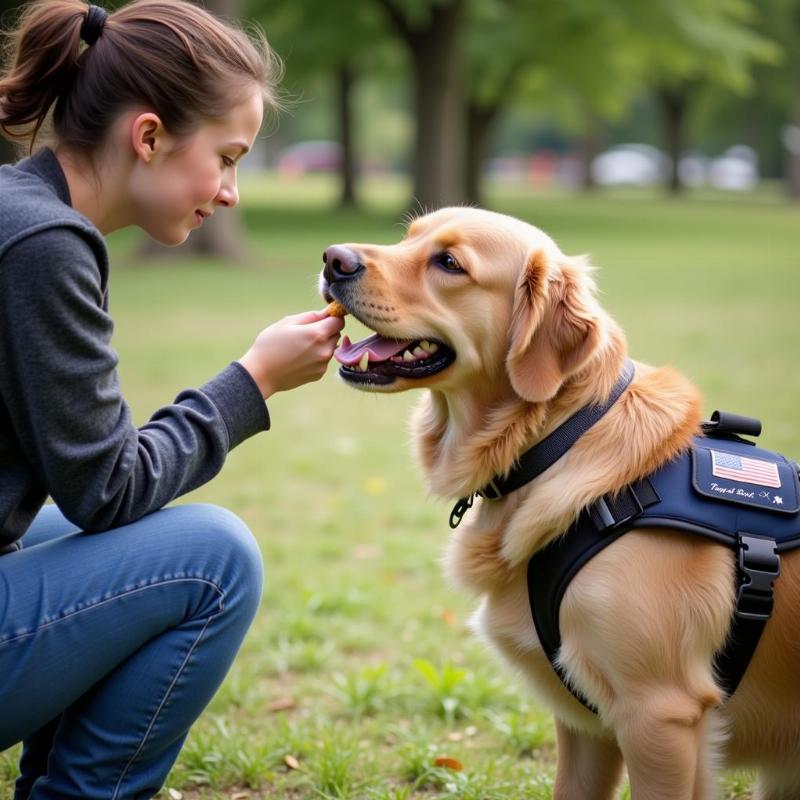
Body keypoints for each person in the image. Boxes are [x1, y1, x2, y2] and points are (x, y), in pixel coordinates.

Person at [0, 1, 345, 797]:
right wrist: (251, 381)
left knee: (134, 534)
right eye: (226, 158)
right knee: (216, 558)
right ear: (148, 137)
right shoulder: (43, 247)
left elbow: (84, 488)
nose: (230, 193)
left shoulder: (21, 215)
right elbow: (108, 489)